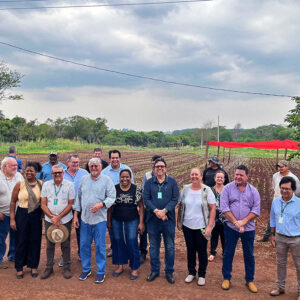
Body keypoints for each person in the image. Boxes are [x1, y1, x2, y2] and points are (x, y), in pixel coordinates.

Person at [73, 158, 116, 284]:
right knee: (84, 245)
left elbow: (112, 197)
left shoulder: (107, 180)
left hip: (99, 220)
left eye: (96, 166)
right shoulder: (84, 179)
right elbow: (78, 198)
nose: (93, 168)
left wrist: (101, 204)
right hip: (85, 219)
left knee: (99, 246)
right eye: (91, 166)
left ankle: (101, 271)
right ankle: (86, 269)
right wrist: (76, 215)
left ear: (101, 167)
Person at [220, 165, 260, 293]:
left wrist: (243, 222)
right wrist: (236, 222)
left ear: (247, 177)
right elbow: (224, 208)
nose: (237, 177)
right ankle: (226, 278)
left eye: (241, 175)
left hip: (249, 229)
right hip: (231, 228)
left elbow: (256, 210)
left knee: (249, 254)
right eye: (236, 174)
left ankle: (250, 280)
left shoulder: (253, 191)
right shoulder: (227, 189)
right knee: (228, 253)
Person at [177, 168, 216, 286]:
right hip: (187, 225)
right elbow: (181, 205)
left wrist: (209, 226)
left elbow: (213, 208)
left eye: (196, 174)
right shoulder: (185, 189)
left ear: (201, 176)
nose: (194, 176)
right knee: (190, 250)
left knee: (202, 251)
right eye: (192, 174)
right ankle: (191, 272)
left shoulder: (206, 190)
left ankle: (202, 274)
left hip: (202, 226)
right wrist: (179, 221)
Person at [143, 157, 179, 284]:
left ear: (166, 168)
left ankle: (169, 272)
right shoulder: (149, 183)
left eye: (162, 166)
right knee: (153, 246)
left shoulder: (172, 182)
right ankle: (155, 270)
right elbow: (146, 199)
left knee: (169, 246)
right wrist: (156, 211)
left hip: (168, 220)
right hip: (153, 220)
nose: (160, 168)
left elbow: (175, 199)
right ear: (154, 169)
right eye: (157, 166)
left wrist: (165, 211)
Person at [108, 169, 144, 280]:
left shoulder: (136, 189)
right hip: (116, 220)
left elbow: (141, 206)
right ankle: (120, 266)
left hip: (132, 220)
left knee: (132, 241)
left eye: (127, 177)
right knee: (117, 241)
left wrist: (141, 222)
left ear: (130, 177)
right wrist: (109, 221)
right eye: (122, 177)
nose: (124, 179)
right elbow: (110, 207)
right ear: (119, 178)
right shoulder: (114, 189)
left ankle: (134, 268)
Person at [40, 164, 75, 280]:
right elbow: (43, 204)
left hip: (65, 220)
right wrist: (52, 217)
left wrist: (59, 217)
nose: (57, 174)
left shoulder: (69, 185)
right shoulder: (46, 185)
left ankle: (67, 267)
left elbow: (71, 204)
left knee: (65, 243)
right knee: (50, 244)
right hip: (50, 219)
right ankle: (49, 267)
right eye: (55, 173)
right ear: (52, 174)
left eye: (59, 172)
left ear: (63, 173)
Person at [10, 162, 43, 279]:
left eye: (31, 171)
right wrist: (12, 219)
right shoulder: (20, 184)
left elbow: (44, 201)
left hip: (36, 215)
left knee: (35, 240)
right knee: (20, 240)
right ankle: (19, 268)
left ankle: (33, 266)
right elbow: (13, 202)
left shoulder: (41, 184)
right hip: (22, 214)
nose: (29, 172)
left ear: (36, 172)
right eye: (27, 170)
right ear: (24, 171)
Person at [269, 176, 300, 299]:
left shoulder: (299, 203)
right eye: (282, 188)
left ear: (293, 189)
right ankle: (280, 287)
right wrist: (272, 234)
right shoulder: (276, 202)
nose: (284, 191)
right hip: (280, 238)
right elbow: (272, 218)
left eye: (287, 189)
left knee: (299, 264)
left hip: (296, 239)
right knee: (281, 263)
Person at [101, 149, 134, 257]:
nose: (115, 160)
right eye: (112, 158)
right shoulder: (105, 172)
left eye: (116, 157)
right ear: (109, 159)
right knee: (111, 227)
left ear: (120, 158)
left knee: (127, 228)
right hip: (111, 205)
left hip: (125, 203)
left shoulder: (127, 169)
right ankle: (114, 248)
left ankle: (128, 248)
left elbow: (132, 186)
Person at [258, 160, 300, 242]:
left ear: (287, 167)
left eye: (282, 166)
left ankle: (288, 238)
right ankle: (267, 236)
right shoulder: (275, 176)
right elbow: (275, 186)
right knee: (273, 218)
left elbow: (297, 191)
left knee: (288, 219)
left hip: (289, 202)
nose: (280, 168)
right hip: (277, 200)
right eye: (279, 166)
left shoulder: (294, 178)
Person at [59, 154, 88, 266]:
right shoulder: (62, 174)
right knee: (65, 232)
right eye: (73, 162)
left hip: (80, 207)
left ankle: (81, 253)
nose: (76, 164)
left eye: (77, 162)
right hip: (65, 207)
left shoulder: (84, 173)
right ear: (68, 162)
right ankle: (64, 256)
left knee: (81, 232)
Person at [0, 157, 23, 269]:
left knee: (15, 236)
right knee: (1, 237)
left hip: (17, 212)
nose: (16, 167)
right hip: (3, 214)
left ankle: (12, 255)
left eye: (16, 165)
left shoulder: (18, 176)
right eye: (13, 166)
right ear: (5, 167)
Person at [140, 154, 161, 264]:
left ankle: (155, 254)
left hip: (159, 210)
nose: (156, 165)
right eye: (154, 163)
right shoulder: (147, 175)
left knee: (156, 233)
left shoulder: (165, 176)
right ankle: (143, 252)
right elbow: (144, 192)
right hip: (148, 208)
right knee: (143, 231)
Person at [208, 170, 226, 262]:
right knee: (214, 235)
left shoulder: (227, 190)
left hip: (225, 217)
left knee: (224, 235)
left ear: (224, 179)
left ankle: (225, 253)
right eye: (218, 177)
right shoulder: (210, 190)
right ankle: (212, 253)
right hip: (214, 216)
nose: (219, 179)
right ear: (215, 178)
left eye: (221, 177)